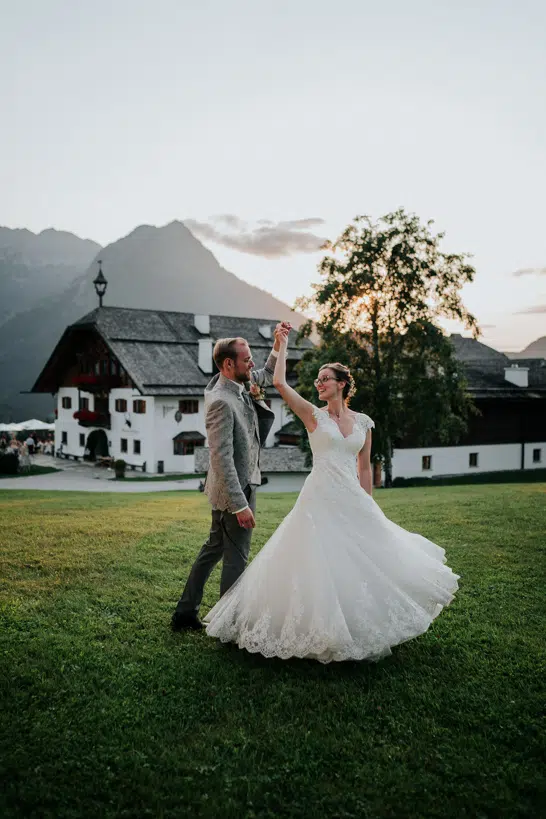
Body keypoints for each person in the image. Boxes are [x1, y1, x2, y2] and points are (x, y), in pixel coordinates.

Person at [204, 329, 460, 663]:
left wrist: (368, 503)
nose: (319, 382)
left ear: (341, 383)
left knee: (364, 559)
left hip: (352, 497)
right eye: (318, 379)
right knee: (315, 561)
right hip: (318, 497)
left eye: (325, 378)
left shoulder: (363, 423)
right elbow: (279, 384)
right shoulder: (314, 415)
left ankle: (363, 622)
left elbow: (365, 467)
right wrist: (280, 347)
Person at [171, 322, 291, 631]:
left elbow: (263, 375)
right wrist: (240, 505)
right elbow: (220, 459)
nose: (252, 363)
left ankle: (185, 614)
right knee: (236, 557)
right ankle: (229, 626)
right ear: (228, 364)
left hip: (239, 485)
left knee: (213, 549)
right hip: (234, 491)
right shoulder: (222, 403)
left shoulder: (235, 382)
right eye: (246, 359)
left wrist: (278, 344)